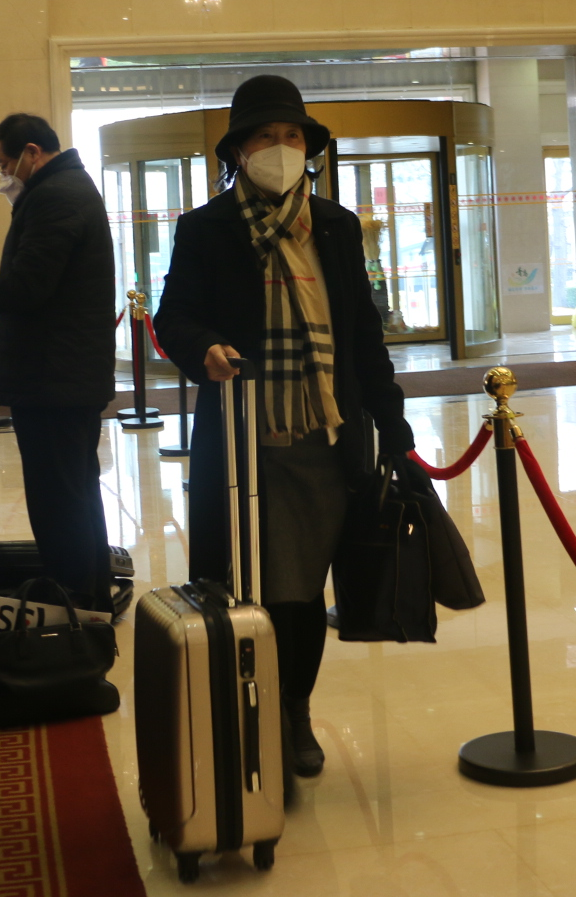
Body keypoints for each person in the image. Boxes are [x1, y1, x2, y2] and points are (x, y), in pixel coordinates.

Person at [154, 75, 414, 779]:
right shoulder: (206, 229)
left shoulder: (336, 226)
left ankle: (293, 709)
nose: (281, 148)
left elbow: (362, 335)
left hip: (326, 440)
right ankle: (252, 707)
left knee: (303, 589)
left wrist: (393, 426)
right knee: (247, 586)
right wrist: (203, 347)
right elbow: (173, 317)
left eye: (292, 135)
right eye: (265, 136)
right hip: (245, 444)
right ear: (238, 151)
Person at [0, 114, 117, 610]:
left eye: (4, 163)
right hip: (64, 376)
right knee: (74, 493)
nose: (3, 174)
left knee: (59, 500)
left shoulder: (56, 195)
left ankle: (75, 602)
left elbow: (31, 288)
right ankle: (88, 594)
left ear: (32, 152)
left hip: (55, 379)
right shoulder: (65, 188)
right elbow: (43, 279)